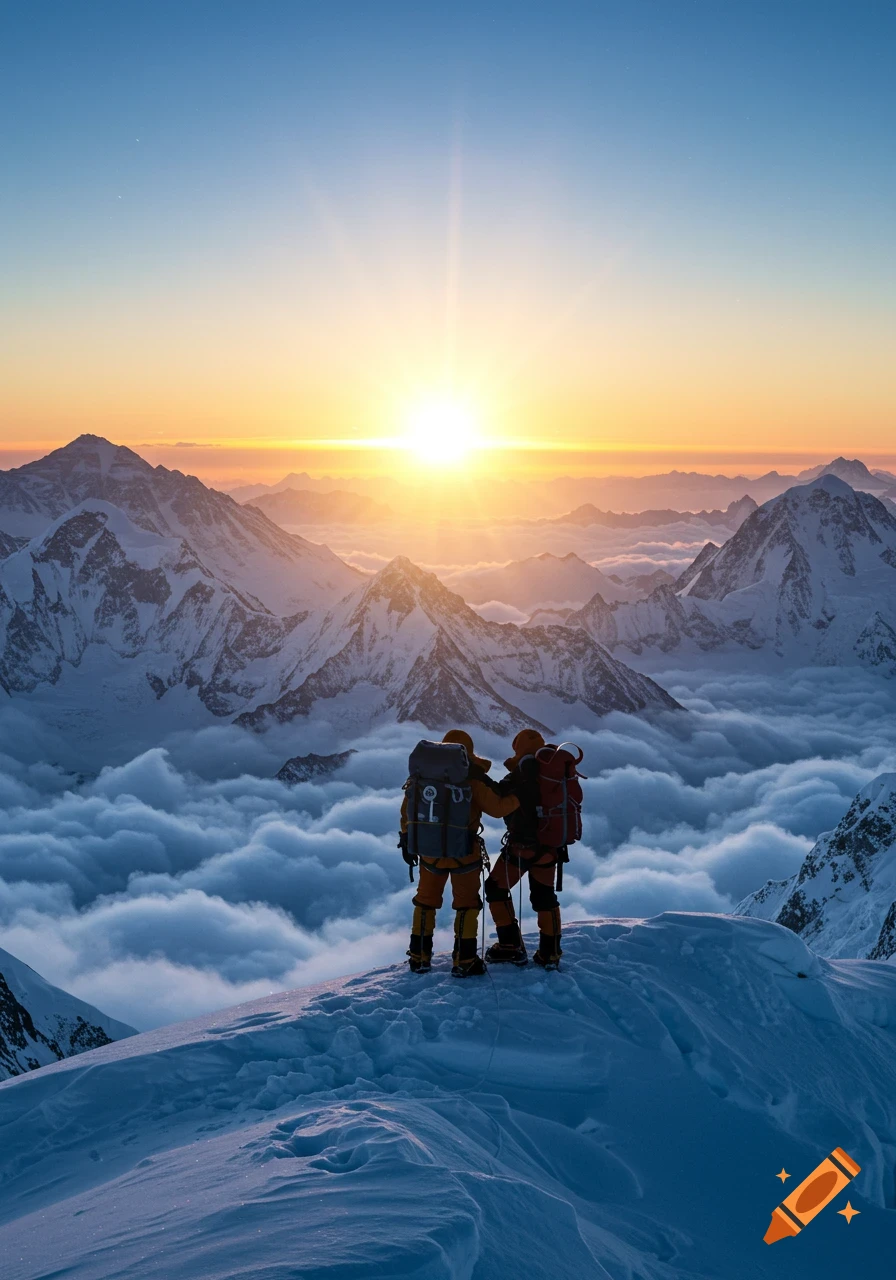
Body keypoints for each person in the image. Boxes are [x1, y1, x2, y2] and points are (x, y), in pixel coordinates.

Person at [400, 729, 519, 977]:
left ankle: (419, 957)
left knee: (425, 902)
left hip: (430, 853)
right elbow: (498, 809)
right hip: (464, 852)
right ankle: (464, 960)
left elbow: (407, 812)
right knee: (466, 905)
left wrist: (407, 840)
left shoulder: (422, 778)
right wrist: (520, 797)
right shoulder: (472, 779)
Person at [484, 728, 564, 970]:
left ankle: (510, 946)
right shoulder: (555, 770)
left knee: (496, 888)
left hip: (522, 847)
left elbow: (498, 797)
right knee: (544, 896)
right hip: (551, 847)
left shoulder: (521, 773)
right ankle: (550, 953)